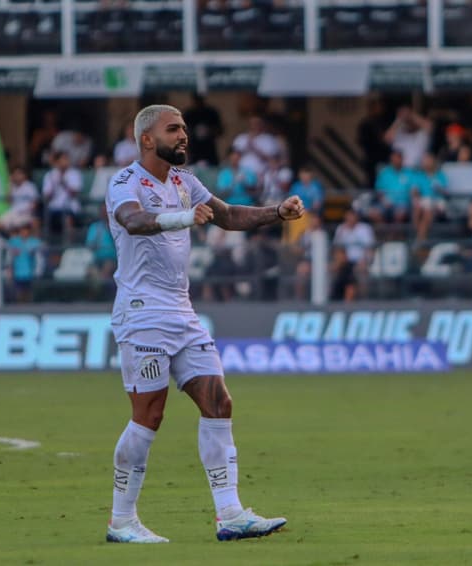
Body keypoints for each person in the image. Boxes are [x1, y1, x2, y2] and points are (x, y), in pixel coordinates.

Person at [104, 104, 304, 543]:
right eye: (173, 129)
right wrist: (183, 217)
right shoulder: (124, 183)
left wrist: (277, 213)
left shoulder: (183, 181)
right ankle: (121, 520)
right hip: (142, 314)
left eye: (184, 129)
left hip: (182, 311)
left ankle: (230, 514)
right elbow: (133, 222)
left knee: (219, 402)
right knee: (148, 415)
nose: (183, 136)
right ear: (146, 139)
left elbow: (228, 215)